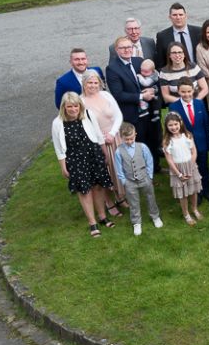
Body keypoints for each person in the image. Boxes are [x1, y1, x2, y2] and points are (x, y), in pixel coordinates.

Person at [51, 92, 115, 237]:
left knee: (98, 186)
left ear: (80, 106)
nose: (73, 109)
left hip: (94, 155)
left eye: (76, 106)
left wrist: (104, 153)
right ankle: (92, 223)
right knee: (84, 190)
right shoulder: (57, 123)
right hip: (75, 160)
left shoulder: (88, 114)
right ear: (64, 107)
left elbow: (98, 135)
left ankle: (102, 217)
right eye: (69, 106)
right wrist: (63, 166)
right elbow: (58, 147)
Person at [80, 73, 126, 215]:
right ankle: (108, 202)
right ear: (84, 84)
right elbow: (84, 126)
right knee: (104, 172)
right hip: (97, 143)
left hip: (115, 137)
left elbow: (118, 115)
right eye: (90, 83)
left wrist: (112, 133)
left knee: (118, 169)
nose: (93, 86)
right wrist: (101, 138)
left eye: (96, 83)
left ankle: (120, 196)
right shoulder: (80, 102)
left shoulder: (106, 95)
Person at [112, 122, 163, 237]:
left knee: (151, 198)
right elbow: (119, 169)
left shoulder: (142, 147)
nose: (129, 141)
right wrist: (124, 181)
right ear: (121, 137)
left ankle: (155, 216)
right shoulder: (119, 151)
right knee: (133, 202)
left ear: (135, 134)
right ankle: (136, 222)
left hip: (145, 178)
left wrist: (149, 176)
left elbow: (149, 161)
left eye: (131, 138)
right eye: (126, 139)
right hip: (130, 182)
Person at [170, 78, 209, 203]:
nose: (186, 94)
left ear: (193, 90)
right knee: (191, 168)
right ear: (178, 91)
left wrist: (208, 144)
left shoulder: (199, 103)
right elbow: (174, 127)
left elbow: (205, 124)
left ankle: (206, 190)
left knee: (204, 167)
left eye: (189, 91)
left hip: (201, 142)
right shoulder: (174, 107)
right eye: (183, 92)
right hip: (186, 145)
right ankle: (196, 192)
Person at [106, 36, 154, 140]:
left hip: (149, 111)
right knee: (139, 142)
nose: (127, 50)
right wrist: (142, 96)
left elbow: (152, 78)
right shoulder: (112, 69)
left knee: (153, 141)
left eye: (129, 47)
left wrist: (152, 89)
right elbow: (118, 94)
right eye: (123, 48)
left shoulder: (139, 61)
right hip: (132, 115)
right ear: (117, 50)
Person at [162, 111, 202, 226]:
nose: (174, 127)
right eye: (170, 125)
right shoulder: (167, 141)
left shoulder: (187, 135)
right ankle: (186, 214)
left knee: (193, 190)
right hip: (177, 169)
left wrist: (191, 167)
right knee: (183, 194)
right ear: (166, 126)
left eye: (175, 124)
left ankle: (194, 209)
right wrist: (179, 174)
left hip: (190, 166)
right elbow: (169, 159)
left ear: (180, 123)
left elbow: (194, 151)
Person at [154, 3, 202, 77]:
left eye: (181, 14)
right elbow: (160, 63)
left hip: (198, 75)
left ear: (186, 16)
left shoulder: (199, 32)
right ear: (170, 17)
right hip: (175, 77)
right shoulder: (162, 36)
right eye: (175, 15)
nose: (178, 17)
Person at [134, 59, 163, 167]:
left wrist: (153, 90)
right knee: (144, 136)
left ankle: (156, 160)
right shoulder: (138, 77)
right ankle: (146, 162)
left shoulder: (156, 78)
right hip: (143, 110)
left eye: (146, 72)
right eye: (142, 71)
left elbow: (159, 88)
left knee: (156, 134)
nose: (143, 73)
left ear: (152, 71)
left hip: (154, 109)